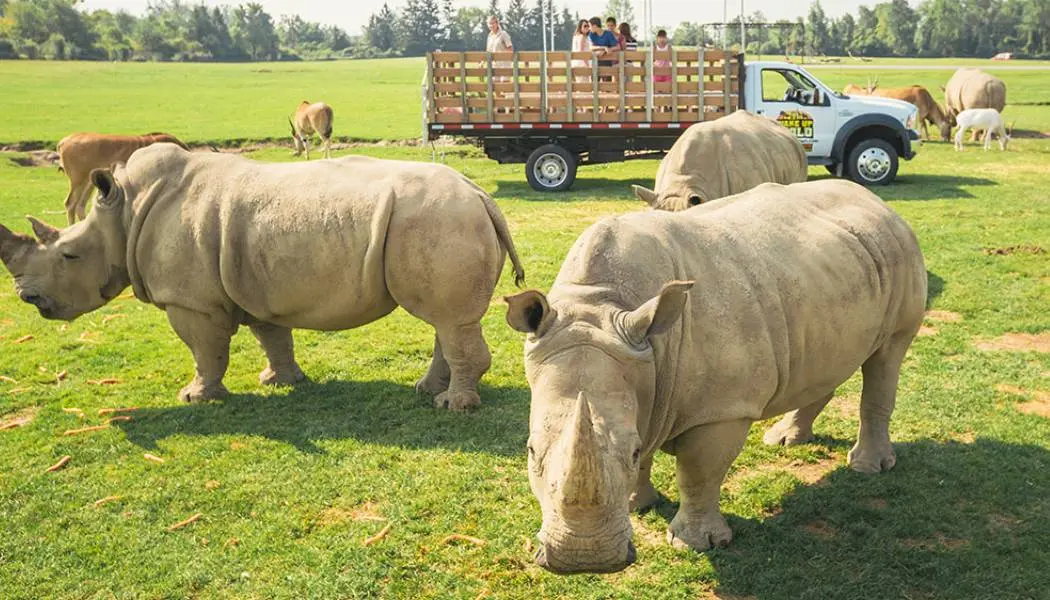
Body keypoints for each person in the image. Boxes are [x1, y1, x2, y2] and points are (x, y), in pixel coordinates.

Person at [588, 16, 618, 81]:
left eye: (590, 26)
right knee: (594, 85)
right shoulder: (591, 34)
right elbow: (591, 47)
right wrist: (604, 48)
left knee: (607, 86)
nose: (589, 28)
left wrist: (605, 51)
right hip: (595, 62)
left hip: (606, 62)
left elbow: (616, 47)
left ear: (595, 26)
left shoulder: (608, 34)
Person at [486, 15, 513, 85]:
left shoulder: (503, 34)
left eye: (493, 23)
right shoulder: (490, 36)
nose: (491, 25)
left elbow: (510, 49)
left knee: (504, 84)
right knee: (495, 85)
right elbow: (488, 50)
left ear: (497, 23)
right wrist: (482, 62)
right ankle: (498, 96)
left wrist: (501, 55)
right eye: (489, 23)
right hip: (494, 64)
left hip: (504, 64)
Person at [571, 19, 592, 84]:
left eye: (588, 26)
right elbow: (581, 51)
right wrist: (587, 64)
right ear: (580, 27)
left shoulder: (576, 36)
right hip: (582, 64)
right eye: (585, 26)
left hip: (577, 63)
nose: (587, 27)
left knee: (581, 85)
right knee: (584, 86)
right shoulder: (582, 36)